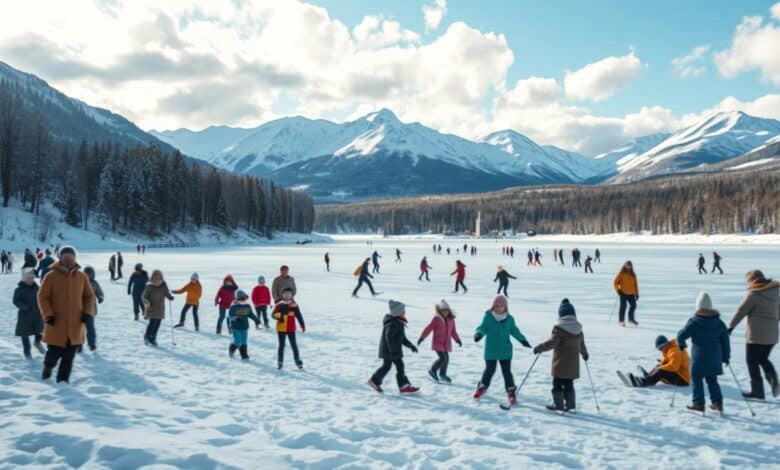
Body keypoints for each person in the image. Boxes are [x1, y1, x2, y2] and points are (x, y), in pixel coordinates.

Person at [37, 246, 95, 383]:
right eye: (65, 258)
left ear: (75, 259)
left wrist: (87, 312)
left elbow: (89, 296)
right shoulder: (51, 276)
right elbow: (42, 297)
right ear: (60, 259)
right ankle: (48, 368)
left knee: (69, 358)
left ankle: (63, 383)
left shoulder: (81, 276)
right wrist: (48, 314)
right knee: (53, 354)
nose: (68, 260)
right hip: (56, 324)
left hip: (75, 325)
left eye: (71, 257)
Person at [728, 270, 779, 399]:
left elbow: (741, 311)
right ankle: (773, 379)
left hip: (755, 335)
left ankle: (758, 391)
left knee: (752, 361)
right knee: (762, 358)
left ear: (753, 280)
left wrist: (731, 327)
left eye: (748, 281)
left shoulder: (754, 294)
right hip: (772, 335)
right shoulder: (776, 293)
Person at [473, 295, 532, 405]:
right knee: (490, 370)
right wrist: (478, 334)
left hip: (505, 350)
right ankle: (482, 386)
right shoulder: (488, 317)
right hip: (491, 350)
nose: (499, 308)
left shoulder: (509, 319)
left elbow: (515, 331)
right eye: (497, 306)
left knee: (506, 372)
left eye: (502, 306)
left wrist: (523, 340)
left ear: (506, 307)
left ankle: (510, 390)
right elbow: (482, 327)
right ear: (493, 306)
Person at [677, 292, 730, 414]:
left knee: (696, 379)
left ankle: (698, 403)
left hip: (699, 357)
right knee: (712, 380)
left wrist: (681, 344)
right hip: (714, 358)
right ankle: (718, 403)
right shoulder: (719, 323)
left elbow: (681, 335)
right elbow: (725, 341)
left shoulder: (694, 322)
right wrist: (726, 356)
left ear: (698, 307)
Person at [533, 299, 589, 412]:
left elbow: (552, 343)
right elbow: (581, 344)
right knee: (569, 384)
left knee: (557, 383)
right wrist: (585, 354)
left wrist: (540, 348)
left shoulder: (558, 329)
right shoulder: (578, 329)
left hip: (560, 364)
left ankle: (558, 404)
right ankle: (570, 405)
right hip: (573, 365)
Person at [367, 300, 420, 394]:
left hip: (393, 350)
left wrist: (411, 346)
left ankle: (401, 386)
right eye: (403, 311)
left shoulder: (398, 322)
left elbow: (402, 338)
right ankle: (376, 381)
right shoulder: (392, 323)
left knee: (393, 366)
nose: (404, 313)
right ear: (397, 312)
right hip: (389, 350)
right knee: (391, 366)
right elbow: (388, 337)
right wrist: (392, 350)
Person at [418, 299, 461, 383]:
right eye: (443, 311)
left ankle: (442, 374)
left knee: (446, 359)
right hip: (438, 342)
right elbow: (429, 328)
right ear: (440, 311)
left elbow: (453, 332)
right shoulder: (436, 319)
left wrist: (457, 340)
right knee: (443, 358)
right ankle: (433, 369)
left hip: (446, 343)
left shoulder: (451, 320)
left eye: (446, 311)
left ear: (449, 311)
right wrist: (422, 337)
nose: (445, 312)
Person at [623, 335, 690, 387]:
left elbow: (674, 367)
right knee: (660, 366)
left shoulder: (675, 351)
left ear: (664, 345)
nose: (660, 350)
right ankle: (648, 376)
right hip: (680, 375)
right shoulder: (670, 349)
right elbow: (667, 363)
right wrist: (658, 367)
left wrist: (659, 368)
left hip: (683, 379)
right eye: (658, 349)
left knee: (661, 371)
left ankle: (643, 382)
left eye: (660, 348)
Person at [13, 268, 45, 358]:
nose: (31, 280)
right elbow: (15, 301)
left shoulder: (37, 288)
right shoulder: (19, 290)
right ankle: (27, 352)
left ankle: (37, 342)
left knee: (39, 331)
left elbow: (42, 297)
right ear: (24, 279)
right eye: (29, 278)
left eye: (32, 278)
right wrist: (24, 307)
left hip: (37, 314)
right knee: (24, 334)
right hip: (25, 316)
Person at [272, 287, 306, 369]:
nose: (287, 295)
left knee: (294, 345)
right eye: (285, 294)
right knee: (281, 345)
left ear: (292, 295)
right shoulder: (279, 305)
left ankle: (298, 361)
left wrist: (302, 325)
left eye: (289, 294)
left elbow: (299, 315)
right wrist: (281, 316)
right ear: (282, 295)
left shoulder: (294, 305)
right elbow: (273, 315)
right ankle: (280, 362)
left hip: (291, 329)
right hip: (281, 329)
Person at [142, 270, 174, 346]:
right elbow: (144, 297)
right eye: (155, 279)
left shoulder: (163, 285)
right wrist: (147, 303)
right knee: (152, 323)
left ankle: (153, 337)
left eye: (159, 279)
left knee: (158, 324)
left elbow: (166, 293)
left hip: (160, 308)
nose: (157, 281)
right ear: (152, 278)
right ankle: (147, 336)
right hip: (151, 308)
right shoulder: (149, 286)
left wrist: (170, 297)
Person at [81, 266, 104, 352]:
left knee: (90, 328)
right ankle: (79, 344)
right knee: (80, 329)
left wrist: (100, 297)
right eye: (87, 274)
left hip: (90, 309)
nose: (88, 276)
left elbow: (99, 292)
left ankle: (92, 344)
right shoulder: (79, 282)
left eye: (90, 274)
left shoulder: (94, 283)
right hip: (80, 309)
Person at [228, 290, 254, 360]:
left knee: (244, 342)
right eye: (241, 298)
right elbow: (230, 317)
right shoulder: (233, 307)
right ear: (237, 299)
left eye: (244, 298)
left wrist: (256, 320)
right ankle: (231, 348)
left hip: (244, 327)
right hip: (236, 327)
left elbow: (250, 314)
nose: (243, 300)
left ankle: (244, 355)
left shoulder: (247, 306)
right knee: (238, 341)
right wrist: (236, 317)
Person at [614, 261, 639, 327]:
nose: (628, 267)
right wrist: (618, 290)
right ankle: (621, 321)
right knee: (623, 306)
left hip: (631, 293)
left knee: (633, 305)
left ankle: (631, 319)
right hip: (623, 293)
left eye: (629, 266)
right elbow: (615, 282)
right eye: (627, 265)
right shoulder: (622, 273)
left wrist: (637, 294)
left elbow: (635, 285)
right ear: (624, 266)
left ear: (631, 266)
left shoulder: (633, 274)